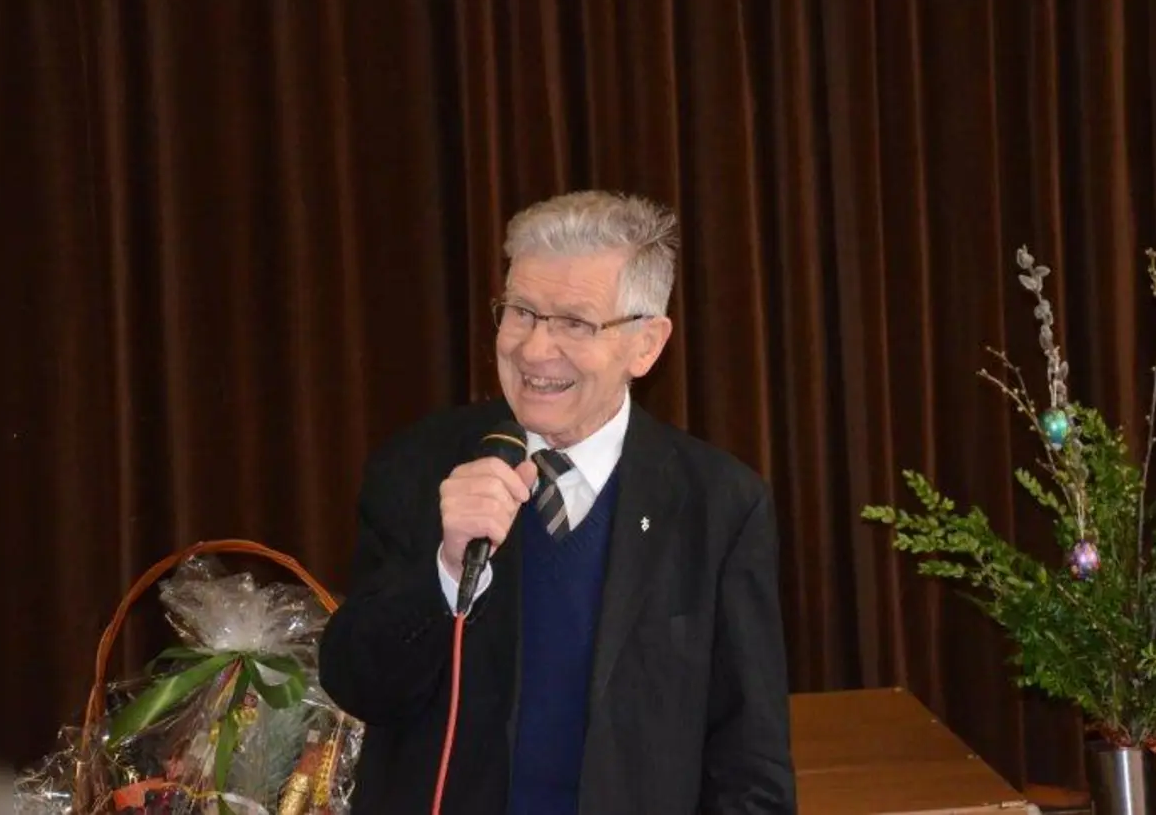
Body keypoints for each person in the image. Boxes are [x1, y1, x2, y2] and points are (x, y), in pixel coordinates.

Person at [319, 191, 797, 814]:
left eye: (574, 322)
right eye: (521, 312)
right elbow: (359, 686)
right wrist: (445, 571)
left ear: (647, 344)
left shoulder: (719, 504)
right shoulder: (418, 466)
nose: (533, 349)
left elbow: (750, 764)